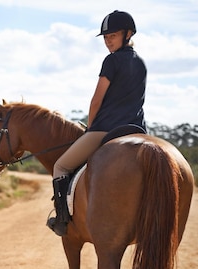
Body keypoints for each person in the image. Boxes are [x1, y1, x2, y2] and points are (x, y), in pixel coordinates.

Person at [47, 10, 147, 236]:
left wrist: (91, 128)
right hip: (137, 130)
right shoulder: (140, 63)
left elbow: (96, 101)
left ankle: (62, 219)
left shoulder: (111, 61)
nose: (108, 40)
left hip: (105, 130)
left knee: (60, 166)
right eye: (105, 37)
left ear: (128, 34)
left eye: (112, 35)